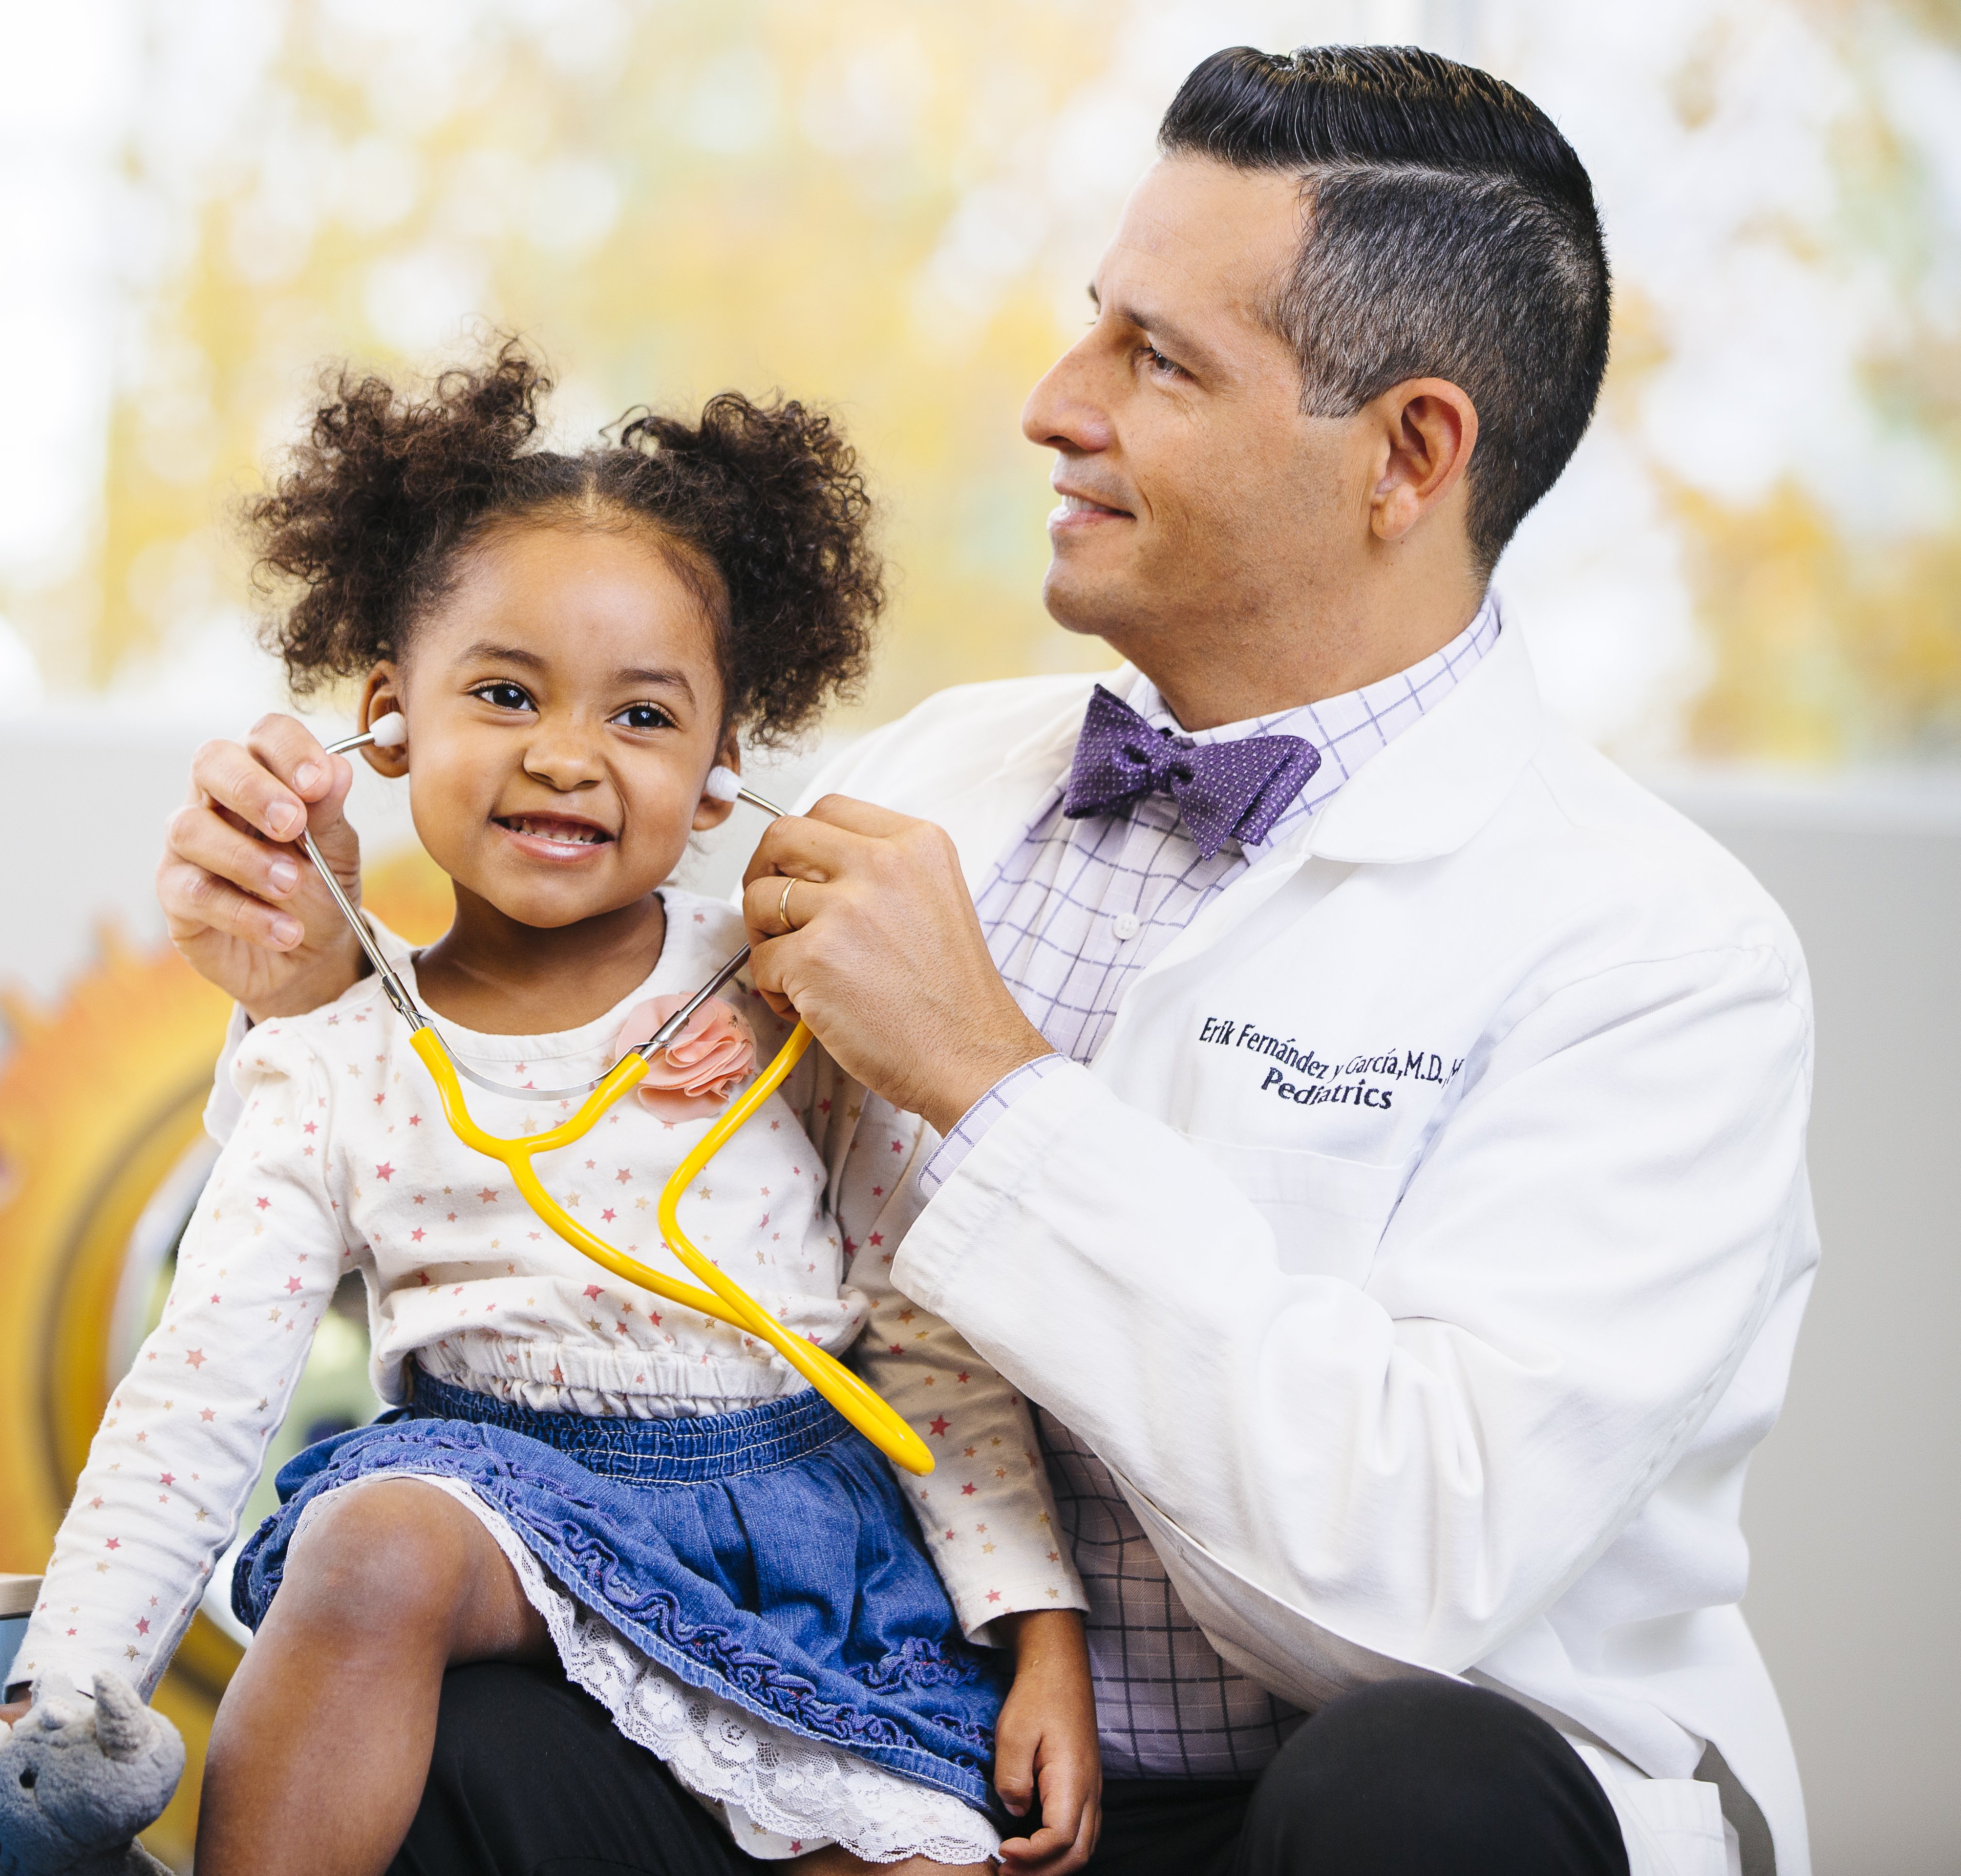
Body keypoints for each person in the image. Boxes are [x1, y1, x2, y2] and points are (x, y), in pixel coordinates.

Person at [155, 44, 1818, 1876]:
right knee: (457, 1721)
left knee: (1416, 1791)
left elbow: (1401, 1592)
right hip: (897, 1751)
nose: (1052, 404)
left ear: (1409, 454)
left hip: (1325, 1805)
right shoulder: (927, 781)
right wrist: (316, 990)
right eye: (1090, 325)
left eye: (1155, 360)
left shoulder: (1664, 959)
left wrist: (990, 1089)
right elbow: (467, 1259)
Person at [0, 346, 1107, 1876]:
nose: (566, 754)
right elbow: (197, 1392)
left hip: (801, 1580)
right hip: (485, 1524)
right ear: (388, 718)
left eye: (642, 717)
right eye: (504, 694)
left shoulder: (790, 999)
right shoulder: (335, 1060)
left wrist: (1041, 1639)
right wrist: (72, 1686)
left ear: (718, 777)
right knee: (381, 1539)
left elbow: (922, 1336)